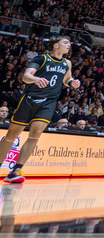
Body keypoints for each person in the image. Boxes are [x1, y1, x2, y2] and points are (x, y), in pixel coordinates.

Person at [0, 36, 80, 184]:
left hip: (49, 102)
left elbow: (66, 80)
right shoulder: (42, 59)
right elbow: (26, 76)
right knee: (12, 135)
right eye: (66, 42)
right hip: (30, 99)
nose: (69, 45)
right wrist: (36, 79)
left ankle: (16, 170)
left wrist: (72, 82)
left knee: (35, 134)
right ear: (55, 45)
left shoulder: (66, 63)